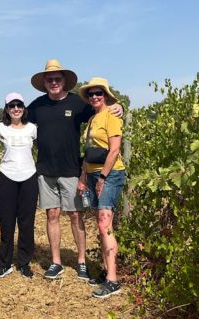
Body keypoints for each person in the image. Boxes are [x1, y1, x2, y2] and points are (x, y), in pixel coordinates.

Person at [27, 59, 123, 280]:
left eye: (57, 79)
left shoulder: (78, 104)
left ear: (64, 82)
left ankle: (81, 261)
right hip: (45, 169)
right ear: (45, 82)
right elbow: (15, 119)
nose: (53, 82)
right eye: (49, 79)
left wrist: (119, 106)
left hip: (72, 169)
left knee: (75, 215)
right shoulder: (37, 106)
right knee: (52, 214)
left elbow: (103, 110)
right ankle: (56, 262)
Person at [77, 77, 126, 298]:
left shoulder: (112, 117)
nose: (95, 97)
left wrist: (103, 178)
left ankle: (113, 281)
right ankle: (107, 271)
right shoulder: (93, 119)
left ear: (106, 95)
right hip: (94, 173)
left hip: (110, 173)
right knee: (100, 222)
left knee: (105, 222)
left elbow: (115, 150)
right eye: (91, 94)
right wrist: (83, 177)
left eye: (99, 93)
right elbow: (89, 152)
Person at [0, 93, 38, 279]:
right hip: (7, 177)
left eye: (19, 105)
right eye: (12, 105)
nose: (16, 109)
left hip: (29, 177)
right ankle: (4, 263)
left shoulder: (32, 128)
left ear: (24, 108)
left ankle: (24, 263)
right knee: (6, 222)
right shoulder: (0, 128)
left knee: (27, 222)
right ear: (6, 109)